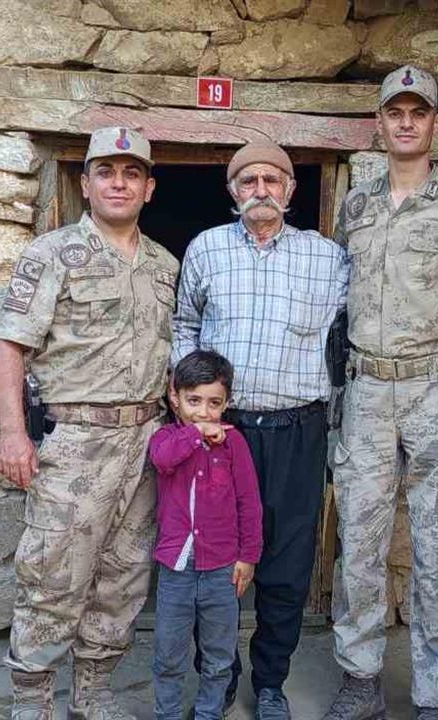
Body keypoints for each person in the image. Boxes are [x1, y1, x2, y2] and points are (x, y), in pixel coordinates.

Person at [322, 65, 438, 720]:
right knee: (359, 544)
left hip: (436, 388)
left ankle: (433, 696)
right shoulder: (356, 206)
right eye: (394, 112)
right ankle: (360, 680)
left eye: (418, 112)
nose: (406, 122)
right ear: (379, 124)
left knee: (436, 548)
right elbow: (338, 293)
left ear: (435, 124)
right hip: (367, 391)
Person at [0, 126, 179, 720]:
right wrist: (12, 433)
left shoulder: (165, 265)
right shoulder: (51, 254)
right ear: (86, 182)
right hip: (76, 440)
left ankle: (93, 694)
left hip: (145, 441)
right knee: (53, 572)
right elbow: (10, 345)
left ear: (149, 188)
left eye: (131, 173)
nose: (118, 183)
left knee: (124, 576)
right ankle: (32, 699)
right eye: (106, 172)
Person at [172, 140, 346, 720]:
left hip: (299, 429)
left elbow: (365, 320)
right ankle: (218, 677)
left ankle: (271, 681)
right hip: (225, 433)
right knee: (214, 559)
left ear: (291, 190)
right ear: (232, 191)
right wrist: (192, 409)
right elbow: (185, 326)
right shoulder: (207, 248)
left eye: (273, 179)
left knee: (288, 566)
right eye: (249, 181)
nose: (261, 190)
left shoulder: (327, 257)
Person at [148, 350, 263, 720]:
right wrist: (196, 434)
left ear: (227, 403)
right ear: (175, 397)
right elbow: (163, 459)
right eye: (194, 400)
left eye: (214, 403)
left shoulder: (235, 444)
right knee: (169, 654)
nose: (203, 411)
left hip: (222, 569)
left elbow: (249, 502)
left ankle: (209, 713)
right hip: (177, 568)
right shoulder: (167, 437)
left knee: (219, 656)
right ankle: (167, 713)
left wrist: (248, 556)